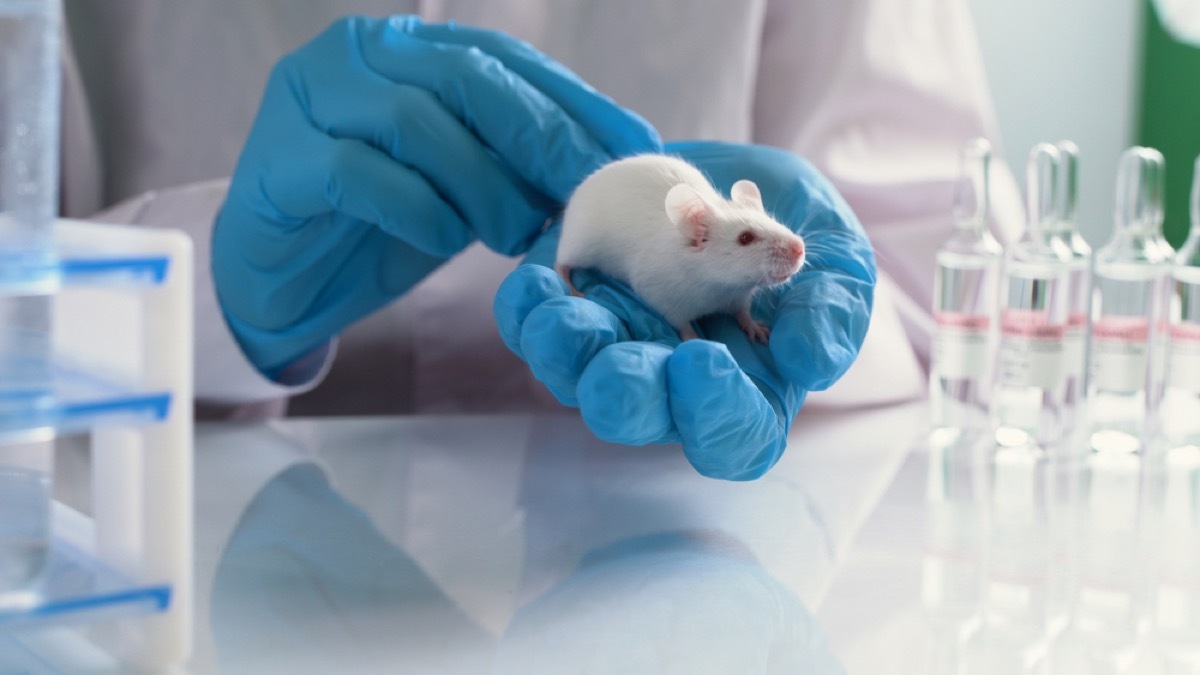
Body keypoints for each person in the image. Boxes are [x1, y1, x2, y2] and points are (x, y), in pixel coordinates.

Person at [59, 0, 1022, 480]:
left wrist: (807, 330)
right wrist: (188, 305)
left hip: (675, 563)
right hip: (195, 539)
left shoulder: (721, 243)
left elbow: (954, 272)